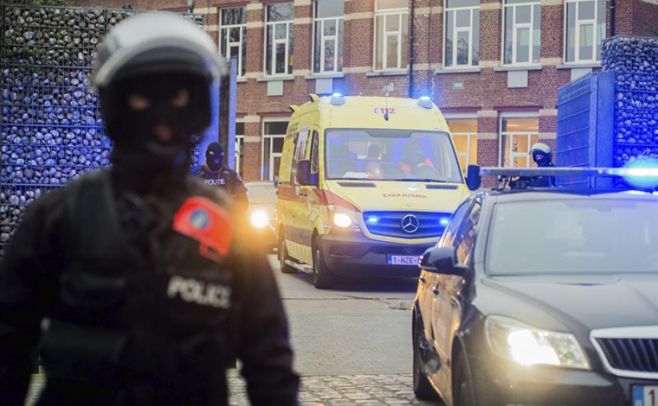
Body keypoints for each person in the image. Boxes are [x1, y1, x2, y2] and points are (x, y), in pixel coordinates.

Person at [0, 13, 298, 406]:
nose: (160, 118)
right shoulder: (63, 215)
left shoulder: (225, 223)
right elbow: (8, 339)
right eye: (142, 98)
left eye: (177, 99)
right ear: (115, 106)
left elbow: (269, 357)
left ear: (196, 110)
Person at [199, 142, 248, 210]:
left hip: (225, 216)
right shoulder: (196, 175)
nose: (216, 159)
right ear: (207, 155)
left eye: (220, 155)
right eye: (213, 154)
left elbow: (243, 202)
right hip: (203, 217)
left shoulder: (231, 175)